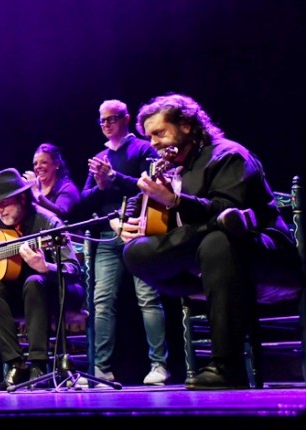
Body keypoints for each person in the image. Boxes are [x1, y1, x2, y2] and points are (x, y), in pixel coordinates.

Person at [121, 93, 300, 390]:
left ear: (186, 125)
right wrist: (134, 225)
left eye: (159, 133)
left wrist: (176, 201)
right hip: (206, 261)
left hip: (262, 249)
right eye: (149, 136)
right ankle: (209, 264)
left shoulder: (229, 155)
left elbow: (232, 211)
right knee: (134, 253)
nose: (153, 143)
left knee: (220, 238)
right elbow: (157, 217)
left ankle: (227, 367)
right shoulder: (175, 169)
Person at [0, 168, 85, 388]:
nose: (0, 210)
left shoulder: (48, 222)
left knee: (34, 282)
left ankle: (38, 364)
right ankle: (16, 363)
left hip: (54, 292)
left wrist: (46, 267)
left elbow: (73, 269)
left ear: (22, 198)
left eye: (5, 203)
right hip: (18, 295)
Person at [79, 99, 170, 386]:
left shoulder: (143, 148)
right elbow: (83, 200)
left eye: (112, 118)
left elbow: (151, 186)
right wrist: (101, 186)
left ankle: (159, 365)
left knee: (148, 298)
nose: (106, 124)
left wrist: (113, 177)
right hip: (109, 234)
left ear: (126, 118)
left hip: (140, 230)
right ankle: (100, 369)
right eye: (102, 120)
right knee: (102, 301)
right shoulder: (99, 157)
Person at [22, 143, 80, 220]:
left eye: (44, 162)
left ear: (57, 164)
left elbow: (61, 215)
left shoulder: (68, 189)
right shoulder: (34, 188)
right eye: (35, 164)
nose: (38, 167)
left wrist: (36, 193)